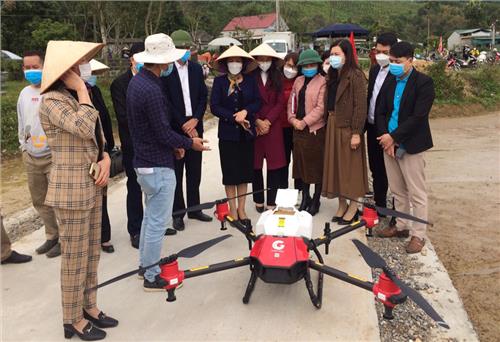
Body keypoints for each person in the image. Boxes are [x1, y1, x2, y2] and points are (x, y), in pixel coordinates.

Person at [39, 40, 117, 340]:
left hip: (92, 182)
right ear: (64, 71)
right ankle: (72, 318)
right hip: (70, 190)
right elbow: (83, 127)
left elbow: (95, 136)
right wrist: (84, 90)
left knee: (91, 252)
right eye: (76, 65)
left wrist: (106, 156)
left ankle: (89, 305)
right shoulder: (52, 100)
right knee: (74, 257)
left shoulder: (77, 96)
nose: (82, 69)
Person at [127, 33, 209, 291]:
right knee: (156, 224)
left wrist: (175, 145)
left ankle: (145, 266)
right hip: (156, 164)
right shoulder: (151, 89)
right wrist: (188, 143)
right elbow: (162, 132)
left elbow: (153, 131)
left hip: (146, 159)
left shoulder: (139, 82)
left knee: (150, 218)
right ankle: (151, 275)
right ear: (163, 62)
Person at [375, 41, 435, 254]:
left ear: (410, 60)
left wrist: (394, 137)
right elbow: (380, 111)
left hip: (411, 145)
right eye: (391, 61)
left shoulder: (424, 83)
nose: (393, 65)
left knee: (417, 192)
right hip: (388, 144)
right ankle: (401, 226)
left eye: (397, 62)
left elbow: (418, 117)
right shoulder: (390, 80)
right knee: (398, 190)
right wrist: (385, 137)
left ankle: (418, 234)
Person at [163, 30, 212, 232]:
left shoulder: (195, 69)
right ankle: (178, 213)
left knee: (195, 169)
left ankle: (194, 208)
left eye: (187, 48)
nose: (185, 52)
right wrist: (183, 123)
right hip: (176, 128)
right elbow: (166, 102)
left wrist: (196, 119)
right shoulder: (166, 72)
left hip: (195, 124)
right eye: (181, 48)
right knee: (177, 171)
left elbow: (202, 96)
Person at [210, 45, 261, 227]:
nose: (235, 64)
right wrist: (234, 117)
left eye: (238, 61)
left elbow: (257, 102)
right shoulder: (220, 82)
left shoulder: (250, 81)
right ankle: (232, 207)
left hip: (246, 134)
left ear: (243, 63)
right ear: (226, 64)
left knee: (244, 172)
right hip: (228, 134)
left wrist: (246, 112)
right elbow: (214, 106)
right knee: (230, 172)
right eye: (231, 61)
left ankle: (241, 207)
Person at [17, 50, 60, 258]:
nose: (31, 71)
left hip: (52, 156)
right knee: (40, 200)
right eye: (27, 67)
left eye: (35, 67)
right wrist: (23, 146)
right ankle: (52, 236)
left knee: (60, 201)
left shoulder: (54, 91)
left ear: (44, 66)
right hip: (31, 156)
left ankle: (66, 239)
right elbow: (21, 121)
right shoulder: (24, 93)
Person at [322, 39, 369, 223]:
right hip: (333, 123)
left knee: (351, 169)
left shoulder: (355, 75)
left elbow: (360, 106)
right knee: (337, 167)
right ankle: (342, 205)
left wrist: (356, 132)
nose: (333, 58)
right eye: (331, 54)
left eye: (337, 54)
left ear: (347, 55)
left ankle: (353, 206)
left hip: (348, 127)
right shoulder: (333, 75)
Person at [110, 42, 146, 247]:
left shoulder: (155, 79)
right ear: (131, 59)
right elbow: (123, 117)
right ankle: (136, 229)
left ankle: (156, 224)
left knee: (155, 187)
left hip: (153, 145)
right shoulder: (120, 84)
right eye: (137, 57)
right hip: (133, 144)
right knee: (135, 186)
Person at [287, 49, 326, 216]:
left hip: (314, 130)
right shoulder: (298, 81)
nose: (309, 67)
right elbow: (291, 102)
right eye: (305, 65)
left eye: (312, 64)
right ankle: (305, 197)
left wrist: (304, 122)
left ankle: (316, 199)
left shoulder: (323, 81)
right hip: (298, 129)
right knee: (300, 166)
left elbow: (321, 108)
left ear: (317, 65)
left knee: (315, 167)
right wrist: (293, 119)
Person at [249, 43, 286, 212]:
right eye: (261, 59)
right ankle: (258, 199)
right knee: (255, 164)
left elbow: (280, 103)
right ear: (256, 60)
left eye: (267, 59)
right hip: (255, 125)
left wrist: (268, 121)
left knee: (274, 166)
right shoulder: (249, 76)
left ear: (272, 60)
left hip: (273, 126)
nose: (264, 62)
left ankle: (272, 200)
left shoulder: (278, 77)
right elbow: (247, 101)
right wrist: (257, 121)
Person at [366, 33, 398, 214]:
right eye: (378, 51)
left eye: (385, 52)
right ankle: (380, 205)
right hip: (372, 127)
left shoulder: (397, 73)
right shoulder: (374, 70)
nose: (380, 56)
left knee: (393, 172)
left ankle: (396, 211)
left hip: (388, 130)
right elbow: (371, 97)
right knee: (376, 168)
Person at [88, 59, 115, 253]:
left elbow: (104, 118)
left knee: (102, 195)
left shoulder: (94, 91)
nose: (93, 77)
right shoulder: (69, 95)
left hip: (101, 151)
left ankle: (104, 236)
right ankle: (89, 238)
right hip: (85, 153)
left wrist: (108, 146)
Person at [280, 52, 301, 191]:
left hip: (298, 126)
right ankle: (283, 190)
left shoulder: (301, 81)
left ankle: (299, 191)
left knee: (298, 162)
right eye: (288, 65)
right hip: (281, 127)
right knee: (283, 161)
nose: (290, 69)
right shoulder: (277, 80)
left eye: (294, 67)